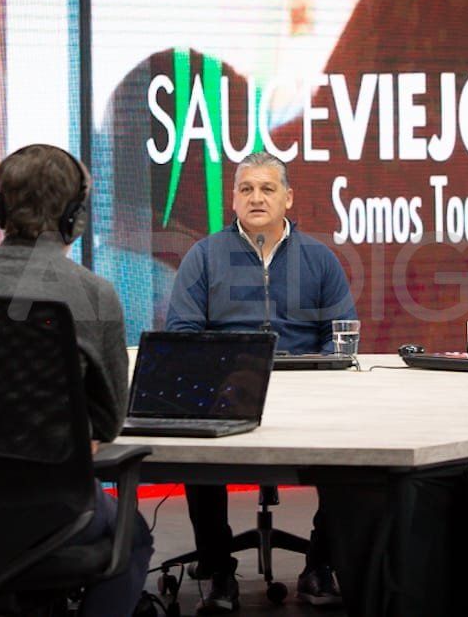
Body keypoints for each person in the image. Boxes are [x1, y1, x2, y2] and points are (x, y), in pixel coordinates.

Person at [0, 144, 151, 615]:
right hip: (52, 509)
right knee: (132, 536)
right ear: (76, 216)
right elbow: (110, 420)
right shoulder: (93, 293)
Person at [165, 151, 356, 613]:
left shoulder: (320, 259)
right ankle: (220, 574)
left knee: (357, 453)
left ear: (288, 198)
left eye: (267, 189)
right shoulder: (205, 256)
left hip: (307, 393)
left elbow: (343, 337)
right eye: (246, 189)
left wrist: (322, 373)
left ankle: (319, 563)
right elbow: (182, 336)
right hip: (228, 392)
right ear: (232, 199)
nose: (256, 198)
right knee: (196, 453)